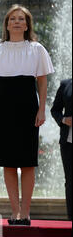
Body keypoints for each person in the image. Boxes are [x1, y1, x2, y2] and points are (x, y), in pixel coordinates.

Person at [0, 4, 54, 225]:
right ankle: (15, 213)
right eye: (13, 18)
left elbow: (42, 81)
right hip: (3, 107)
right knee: (9, 163)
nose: (17, 22)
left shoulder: (37, 48)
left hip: (28, 106)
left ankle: (27, 213)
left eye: (21, 18)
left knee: (28, 162)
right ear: (7, 23)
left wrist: (41, 109)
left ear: (27, 23)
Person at [50, 78, 72, 220]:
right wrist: (64, 120)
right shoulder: (66, 84)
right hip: (69, 142)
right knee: (70, 181)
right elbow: (55, 110)